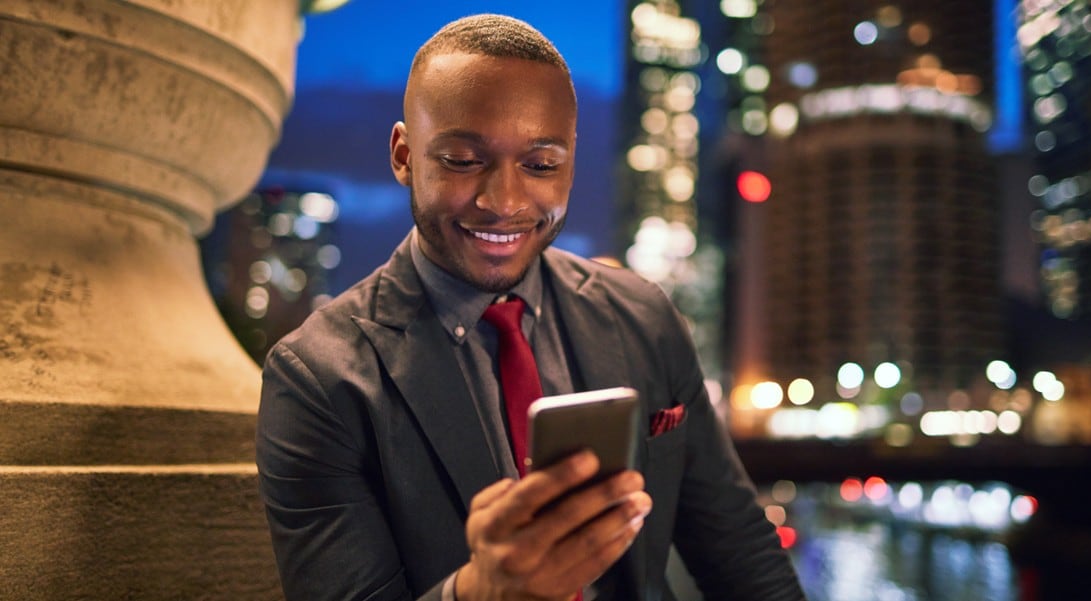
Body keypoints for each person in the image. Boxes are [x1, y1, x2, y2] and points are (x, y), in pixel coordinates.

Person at [256, 13, 805, 601]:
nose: (505, 201)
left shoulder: (644, 314)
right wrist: (480, 591)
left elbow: (741, 553)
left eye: (541, 165)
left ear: (570, 160)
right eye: (463, 161)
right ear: (403, 155)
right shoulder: (316, 377)